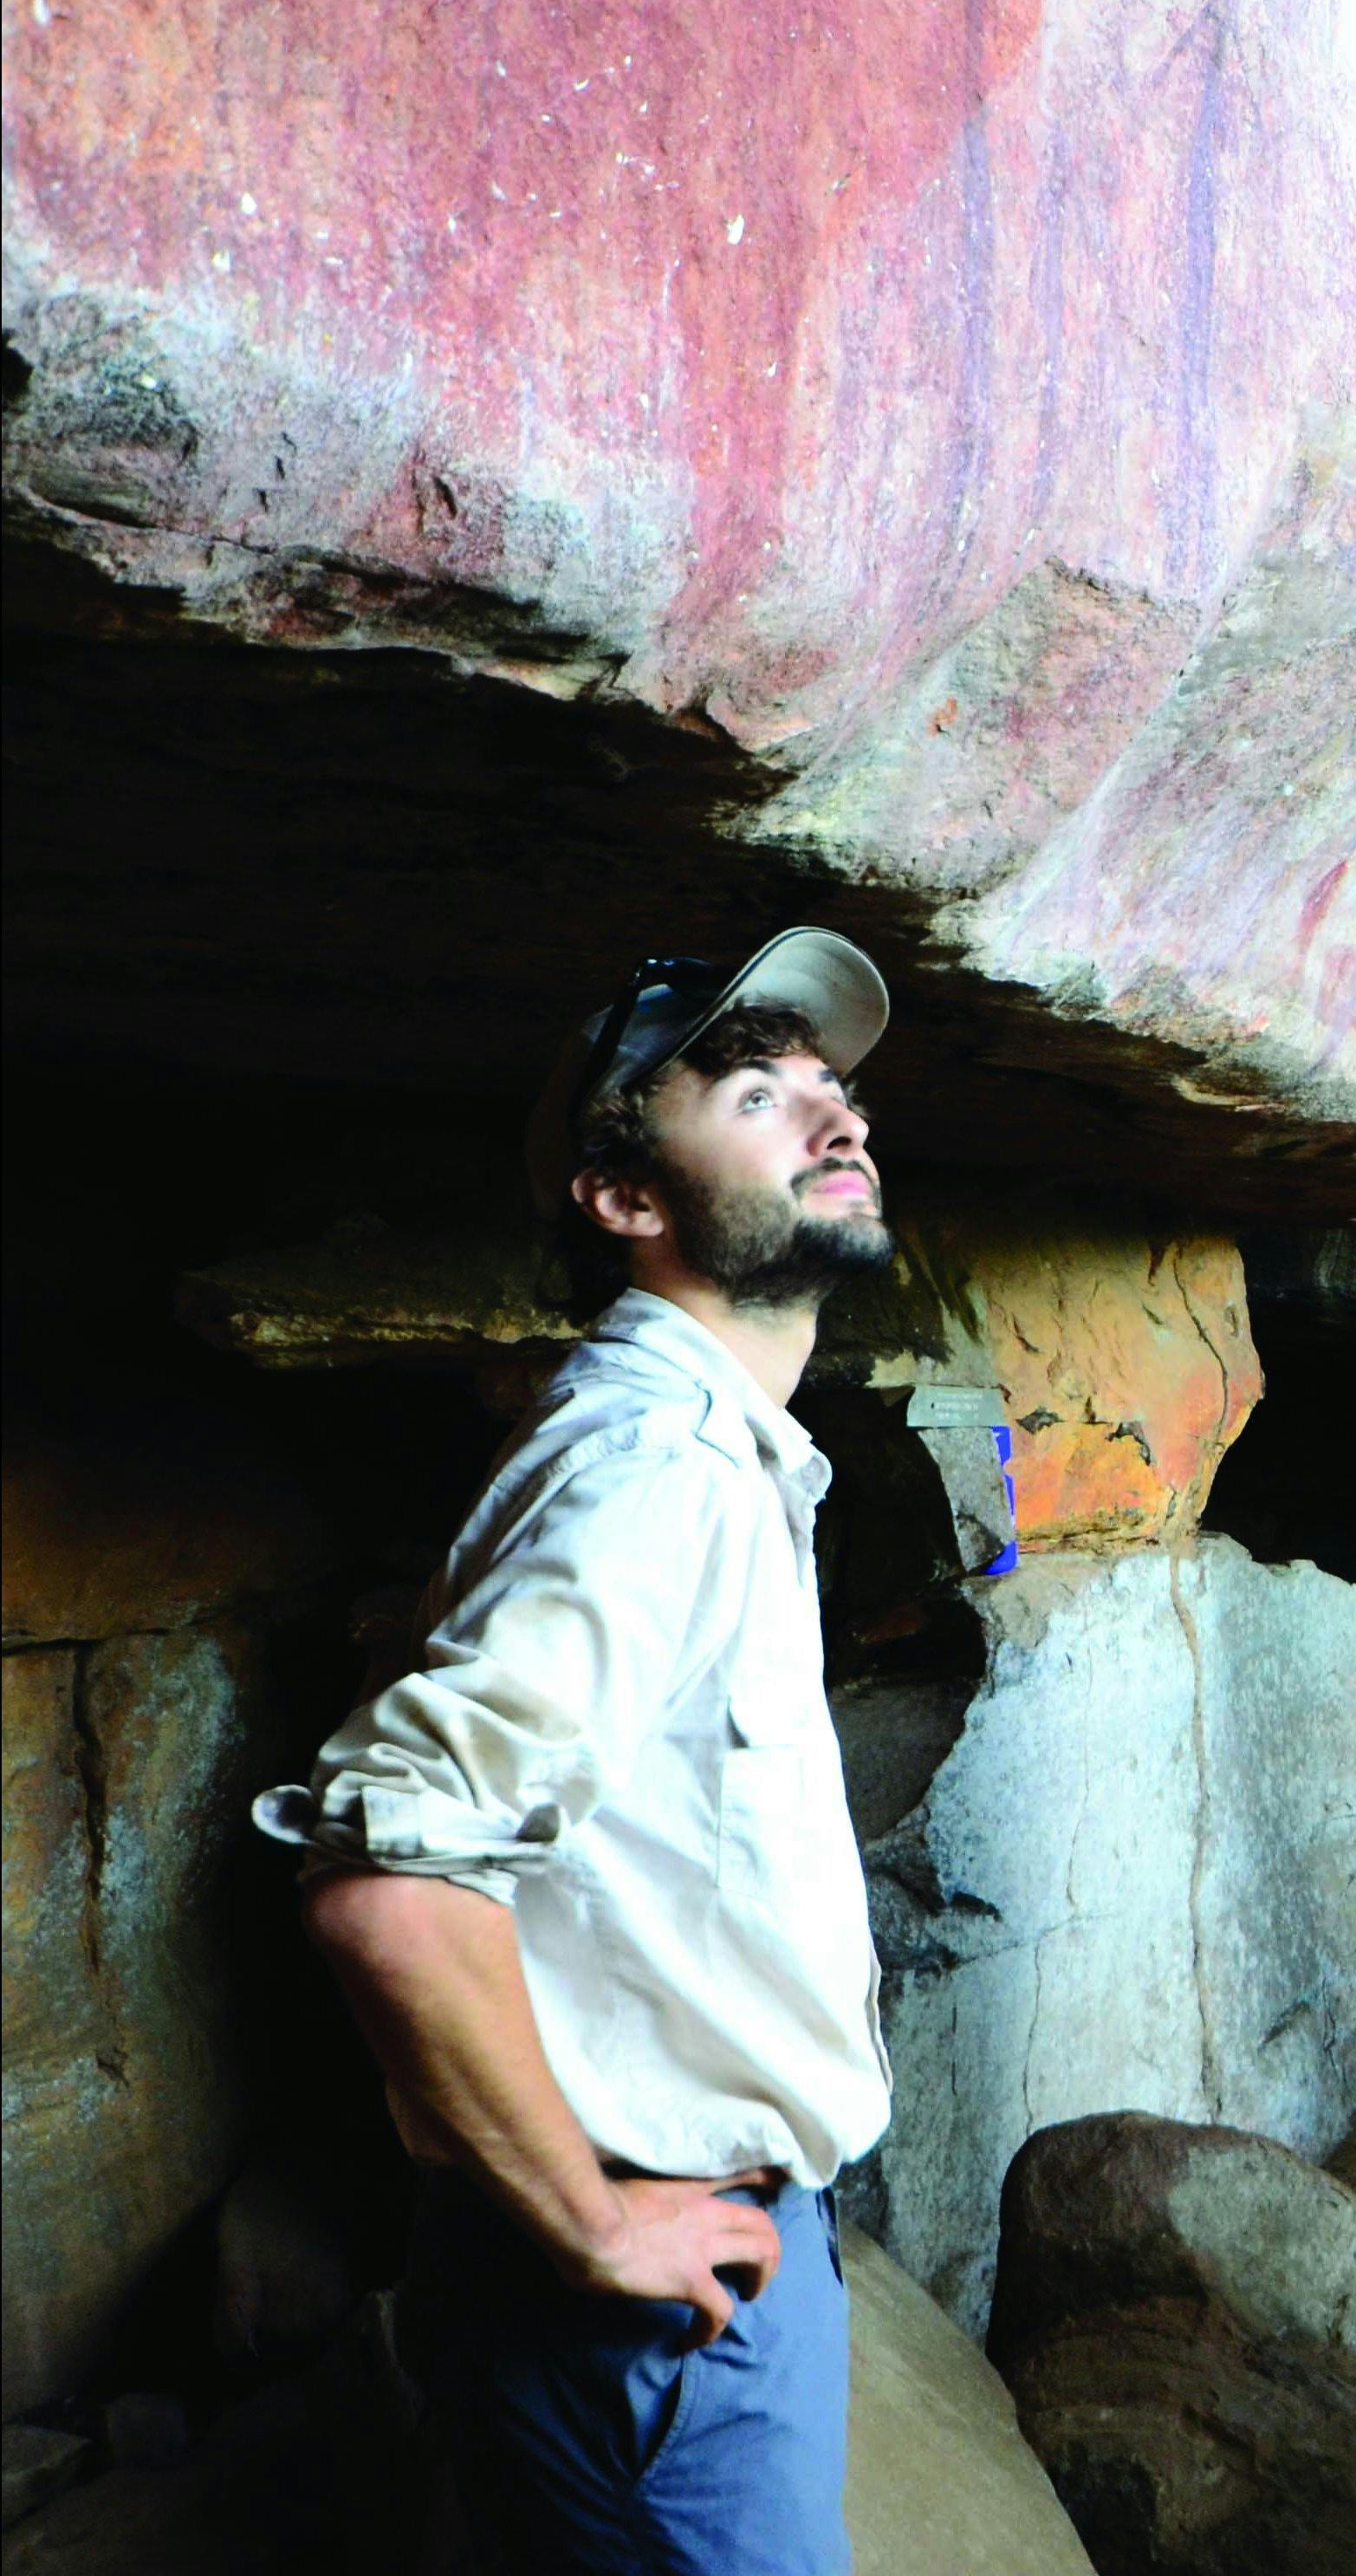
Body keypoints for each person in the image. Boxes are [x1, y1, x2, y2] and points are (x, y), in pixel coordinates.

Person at [254, 930, 903, 2574]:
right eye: (758, 1095)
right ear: (623, 1201)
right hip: (646, 2311)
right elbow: (390, 1893)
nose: (837, 1122)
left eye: (834, 1092)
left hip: (672, 2265)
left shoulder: (712, 1452)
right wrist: (594, 2220)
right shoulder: (654, 1467)